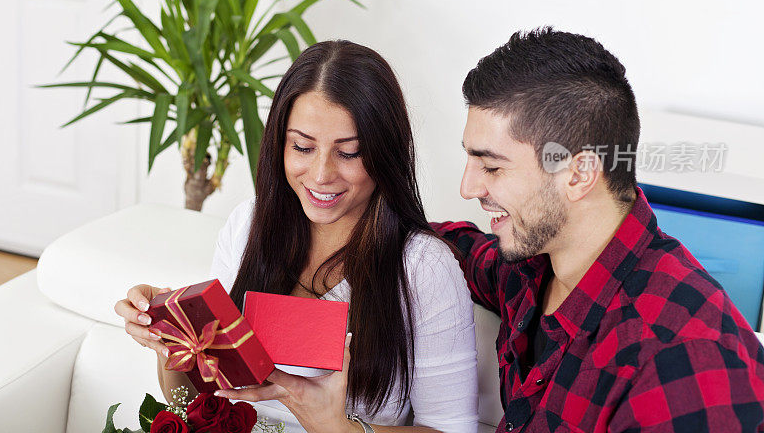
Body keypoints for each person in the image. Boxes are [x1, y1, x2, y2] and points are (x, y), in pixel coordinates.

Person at [115, 40, 479, 433]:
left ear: (385, 154)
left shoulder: (423, 268)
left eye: (350, 152)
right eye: (303, 147)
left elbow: (453, 429)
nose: (321, 174)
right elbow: (199, 403)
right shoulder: (247, 226)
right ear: (280, 144)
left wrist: (335, 427)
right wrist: (170, 338)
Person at [432, 27, 764, 432]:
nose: (468, 188)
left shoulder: (683, 361)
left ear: (579, 174)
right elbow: (460, 250)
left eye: (493, 167)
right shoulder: (533, 265)